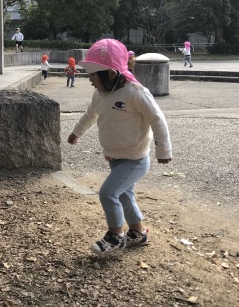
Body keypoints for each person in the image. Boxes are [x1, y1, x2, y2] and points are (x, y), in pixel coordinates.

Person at [67, 38, 172, 255]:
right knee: (124, 195)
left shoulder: (135, 93)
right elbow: (90, 115)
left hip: (135, 159)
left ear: (111, 74)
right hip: (115, 157)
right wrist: (76, 132)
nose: (90, 80)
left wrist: (163, 150)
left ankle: (115, 235)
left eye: (93, 75)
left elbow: (157, 120)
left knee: (108, 193)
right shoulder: (100, 94)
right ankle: (138, 232)